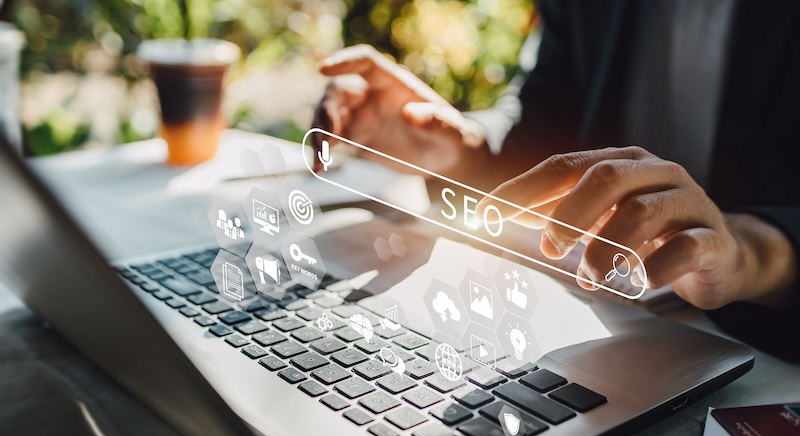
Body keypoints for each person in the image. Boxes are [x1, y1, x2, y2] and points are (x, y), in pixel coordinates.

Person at [312, 0, 800, 359]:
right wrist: (461, 147)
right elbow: (542, 122)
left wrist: (753, 252)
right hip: (601, 329)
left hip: (760, 348)